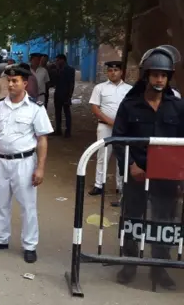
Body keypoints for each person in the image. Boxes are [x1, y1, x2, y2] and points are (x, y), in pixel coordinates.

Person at [112, 45, 184, 289]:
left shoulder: (177, 107)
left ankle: (159, 269)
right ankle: (129, 264)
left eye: (164, 75)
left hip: (167, 177)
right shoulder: (130, 105)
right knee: (132, 218)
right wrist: (130, 165)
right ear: (146, 76)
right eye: (155, 74)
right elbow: (118, 139)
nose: (160, 79)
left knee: (164, 223)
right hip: (137, 174)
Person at [0, 64, 53, 264]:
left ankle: (30, 245)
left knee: (27, 205)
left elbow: (42, 140)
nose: (10, 84)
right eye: (8, 81)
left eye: (15, 81)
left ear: (25, 84)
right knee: (0, 203)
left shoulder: (35, 109)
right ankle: (0, 238)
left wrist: (40, 168)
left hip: (24, 162)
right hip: (1, 161)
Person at [87, 61, 132, 201]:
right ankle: (98, 185)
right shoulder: (100, 88)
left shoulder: (130, 89)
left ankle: (121, 186)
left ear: (121, 72)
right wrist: (110, 122)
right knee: (102, 155)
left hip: (123, 129)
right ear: (107, 72)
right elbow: (95, 108)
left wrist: (121, 123)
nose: (113, 72)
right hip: (104, 126)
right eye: (111, 70)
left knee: (122, 157)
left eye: (116, 70)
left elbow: (132, 108)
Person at [52, 54, 75, 137]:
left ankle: (68, 131)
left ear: (63, 60)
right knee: (57, 113)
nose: (56, 62)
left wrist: (69, 96)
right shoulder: (57, 69)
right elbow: (54, 82)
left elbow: (71, 84)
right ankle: (58, 130)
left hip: (65, 94)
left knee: (67, 113)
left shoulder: (70, 69)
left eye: (58, 60)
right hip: (57, 94)